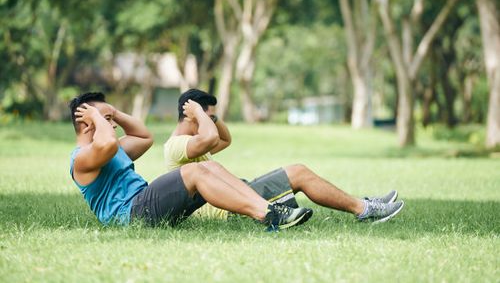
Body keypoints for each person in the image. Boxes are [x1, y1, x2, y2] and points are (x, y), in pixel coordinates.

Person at [68, 92, 312, 231]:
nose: (112, 124)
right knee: (194, 171)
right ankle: (267, 216)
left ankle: (269, 209)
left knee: (209, 167)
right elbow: (108, 143)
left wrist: (114, 112)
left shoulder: (113, 148)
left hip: (145, 206)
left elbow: (144, 137)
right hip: (129, 215)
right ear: (87, 123)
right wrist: (98, 117)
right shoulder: (82, 159)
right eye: (107, 120)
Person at [164, 89, 405, 223]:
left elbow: (225, 140)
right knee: (298, 172)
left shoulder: (194, 142)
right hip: (231, 209)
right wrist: (198, 113)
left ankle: (363, 204)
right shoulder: (177, 146)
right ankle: (364, 209)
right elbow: (209, 139)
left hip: (239, 193)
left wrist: (209, 116)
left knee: (297, 170)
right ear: (189, 117)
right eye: (208, 118)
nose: (212, 124)